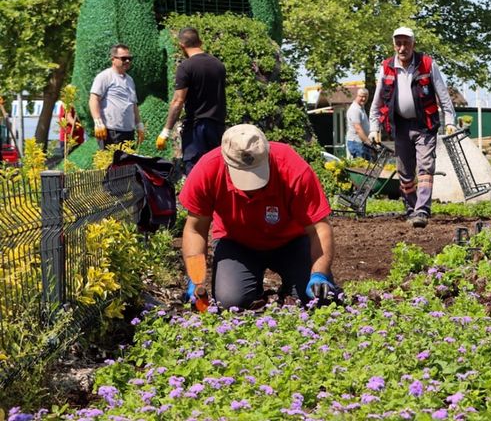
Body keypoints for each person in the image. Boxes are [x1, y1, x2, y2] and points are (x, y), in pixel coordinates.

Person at [178, 124, 338, 310]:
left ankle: (291, 289)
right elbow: (196, 229)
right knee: (231, 302)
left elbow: (319, 228)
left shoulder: (292, 167)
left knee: (317, 299)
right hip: (237, 243)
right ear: (226, 162)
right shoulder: (207, 169)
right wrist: (196, 279)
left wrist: (319, 274)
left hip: (292, 242)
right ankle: (253, 290)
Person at [368, 26, 456, 228]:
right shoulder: (386, 67)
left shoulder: (427, 64)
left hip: (424, 124)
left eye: (406, 43)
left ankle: (422, 210)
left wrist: (450, 120)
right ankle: (412, 210)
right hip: (400, 126)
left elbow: (443, 96)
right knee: (405, 172)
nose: (402, 48)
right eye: (398, 43)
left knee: (425, 166)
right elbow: (377, 101)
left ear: (413, 44)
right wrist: (374, 127)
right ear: (394, 45)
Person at [156, 27, 227, 175]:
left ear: (181, 45)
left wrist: (166, 131)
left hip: (197, 127)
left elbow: (178, 101)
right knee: (216, 170)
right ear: (200, 42)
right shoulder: (218, 65)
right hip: (217, 126)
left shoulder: (186, 67)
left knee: (195, 172)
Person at [88, 44, 144, 149]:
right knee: (111, 159)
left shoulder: (130, 80)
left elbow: (133, 104)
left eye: (129, 58)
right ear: (113, 59)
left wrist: (139, 125)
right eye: (124, 58)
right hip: (111, 132)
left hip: (129, 132)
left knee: (129, 159)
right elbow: (93, 99)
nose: (127, 61)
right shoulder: (104, 76)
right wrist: (98, 122)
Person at [346, 88, 373, 161]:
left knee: (366, 166)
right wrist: (368, 142)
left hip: (362, 143)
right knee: (361, 166)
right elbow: (358, 129)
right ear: (357, 95)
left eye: (366, 97)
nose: (363, 99)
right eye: (361, 96)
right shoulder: (355, 109)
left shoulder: (361, 108)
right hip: (356, 143)